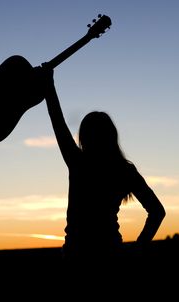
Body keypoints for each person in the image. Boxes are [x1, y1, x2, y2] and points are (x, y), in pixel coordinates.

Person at [43, 66, 166, 266]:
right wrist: (140, 246)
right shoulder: (124, 170)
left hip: (77, 256)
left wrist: (49, 86)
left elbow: (57, 121)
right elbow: (157, 211)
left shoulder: (78, 162)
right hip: (111, 253)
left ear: (84, 137)